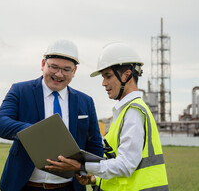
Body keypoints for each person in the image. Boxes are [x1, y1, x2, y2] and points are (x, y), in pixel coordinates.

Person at [53, 42, 169, 190]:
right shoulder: (125, 111)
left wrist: (82, 165)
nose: (103, 83)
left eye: (108, 76)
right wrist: (95, 179)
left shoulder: (133, 112)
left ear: (126, 75)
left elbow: (126, 165)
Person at [0, 39, 103, 191]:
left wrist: (90, 173)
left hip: (69, 187)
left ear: (74, 71)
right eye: (54, 67)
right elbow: (0, 123)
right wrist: (36, 132)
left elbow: (95, 145)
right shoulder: (20, 90)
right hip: (25, 186)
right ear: (43, 64)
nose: (59, 74)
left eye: (66, 69)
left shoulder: (86, 102)